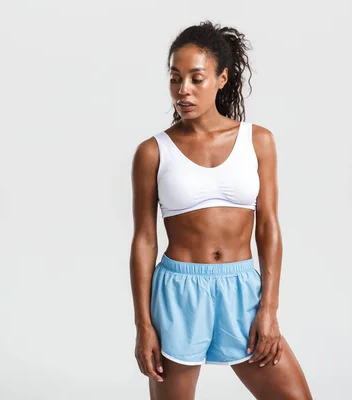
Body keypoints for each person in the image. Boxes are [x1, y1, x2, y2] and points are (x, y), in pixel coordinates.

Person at [130, 20, 313, 399]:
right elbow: (145, 241)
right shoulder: (152, 152)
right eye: (175, 78)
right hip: (179, 294)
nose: (183, 90)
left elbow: (268, 227)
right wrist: (143, 325)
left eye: (196, 78)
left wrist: (269, 309)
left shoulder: (257, 141)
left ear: (222, 78)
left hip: (243, 290)